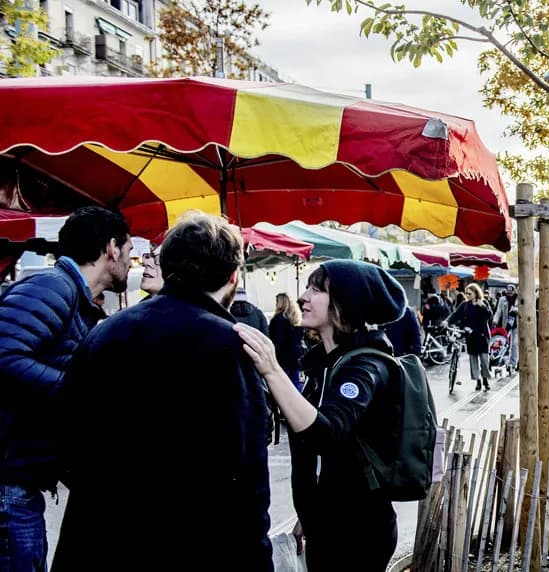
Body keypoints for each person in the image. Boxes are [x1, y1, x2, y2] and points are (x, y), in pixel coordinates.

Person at [54, 212, 269, 570]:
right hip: (189, 546)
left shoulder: (106, 332)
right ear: (233, 276)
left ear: (167, 267)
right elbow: (246, 476)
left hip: (97, 540)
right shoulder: (231, 347)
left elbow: (66, 437)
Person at [235, 259, 409, 572]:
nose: (303, 296)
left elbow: (326, 433)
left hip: (357, 532)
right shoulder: (326, 364)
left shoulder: (366, 366)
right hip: (327, 526)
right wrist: (309, 512)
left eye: (318, 289)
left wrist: (272, 370)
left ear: (346, 303)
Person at [0, 206, 130, 570]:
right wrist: (78, 392)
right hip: (8, 486)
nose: (131, 261)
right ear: (112, 248)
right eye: (130, 250)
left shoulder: (73, 297)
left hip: (19, 483)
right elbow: (4, 355)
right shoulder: (52, 285)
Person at [450, 283, 494, 391]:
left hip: (482, 335)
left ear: (476, 293)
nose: (468, 295)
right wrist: (447, 321)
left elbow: (489, 316)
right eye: (466, 293)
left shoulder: (483, 303)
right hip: (471, 335)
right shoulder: (465, 305)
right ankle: (478, 380)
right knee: (473, 360)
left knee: (484, 360)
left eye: (470, 293)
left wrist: (482, 306)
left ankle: (485, 379)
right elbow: (456, 315)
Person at [271, 293, 307, 392]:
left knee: (283, 385)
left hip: (283, 357)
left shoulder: (278, 320)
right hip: (295, 356)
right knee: (296, 383)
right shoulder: (295, 319)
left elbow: (277, 341)